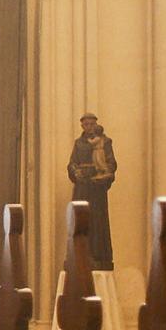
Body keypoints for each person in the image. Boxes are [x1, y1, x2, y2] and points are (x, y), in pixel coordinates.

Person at [67, 112, 116, 269]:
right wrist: (76, 172)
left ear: (96, 125)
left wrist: (101, 172)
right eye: (86, 124)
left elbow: (111, 163)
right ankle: (81, 254)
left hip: (97, 189)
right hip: (82, 188)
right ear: (82, 126)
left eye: (92, 124)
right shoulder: (78, 144)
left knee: (97, 221)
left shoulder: (105, 142)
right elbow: (72, 163)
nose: (89, 127)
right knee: (81, 219)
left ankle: (98, 255)